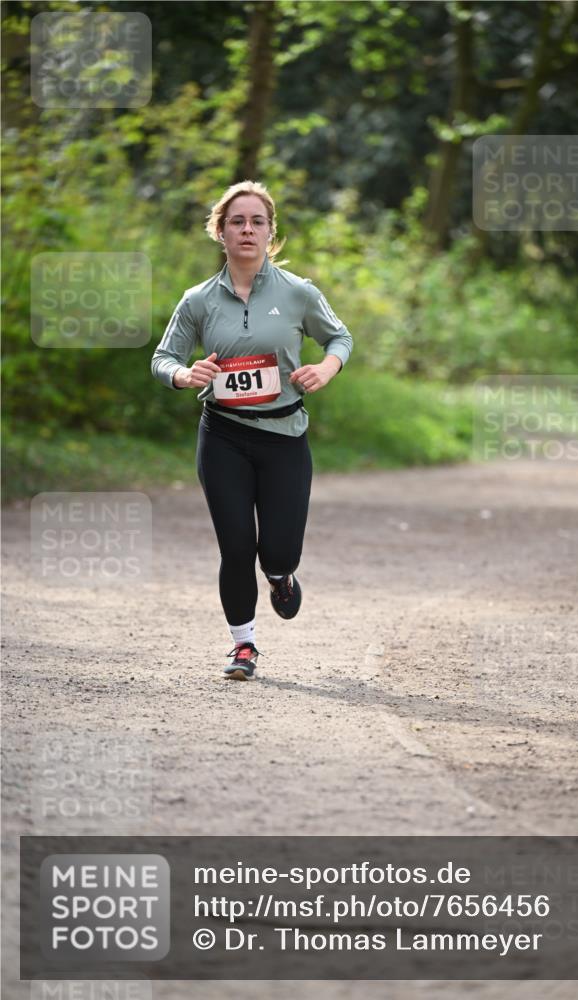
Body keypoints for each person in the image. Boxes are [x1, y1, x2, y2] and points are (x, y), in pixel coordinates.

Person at [151, 180, 353, 680]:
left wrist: (326, 369)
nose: (246, 229)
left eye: (256, 221)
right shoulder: (198, 300)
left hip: (284, 436)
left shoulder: (298, 292)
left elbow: (340, 337)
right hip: (222, 436)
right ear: (220, 232)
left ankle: (281, 575)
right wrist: (184, 374)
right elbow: (163, 357)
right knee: (236, 545)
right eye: (236, 221)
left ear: (270, 231)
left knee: (277, 549)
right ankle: (243, 646)